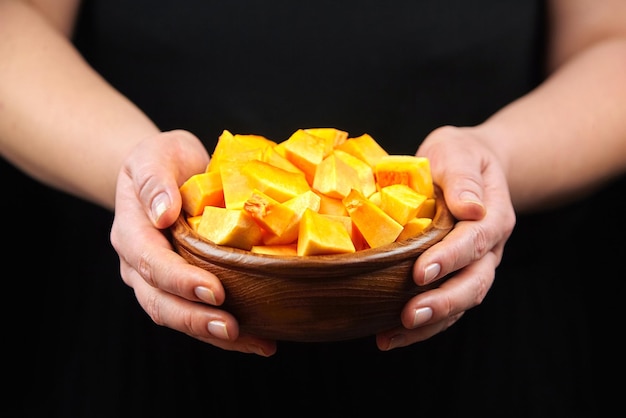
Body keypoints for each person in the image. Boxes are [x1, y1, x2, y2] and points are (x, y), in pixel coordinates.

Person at [2, 0, 625, 416]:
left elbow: (613, 41)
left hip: (484, 341)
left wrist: (500, 156)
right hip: (144, 331)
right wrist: (130, 165)